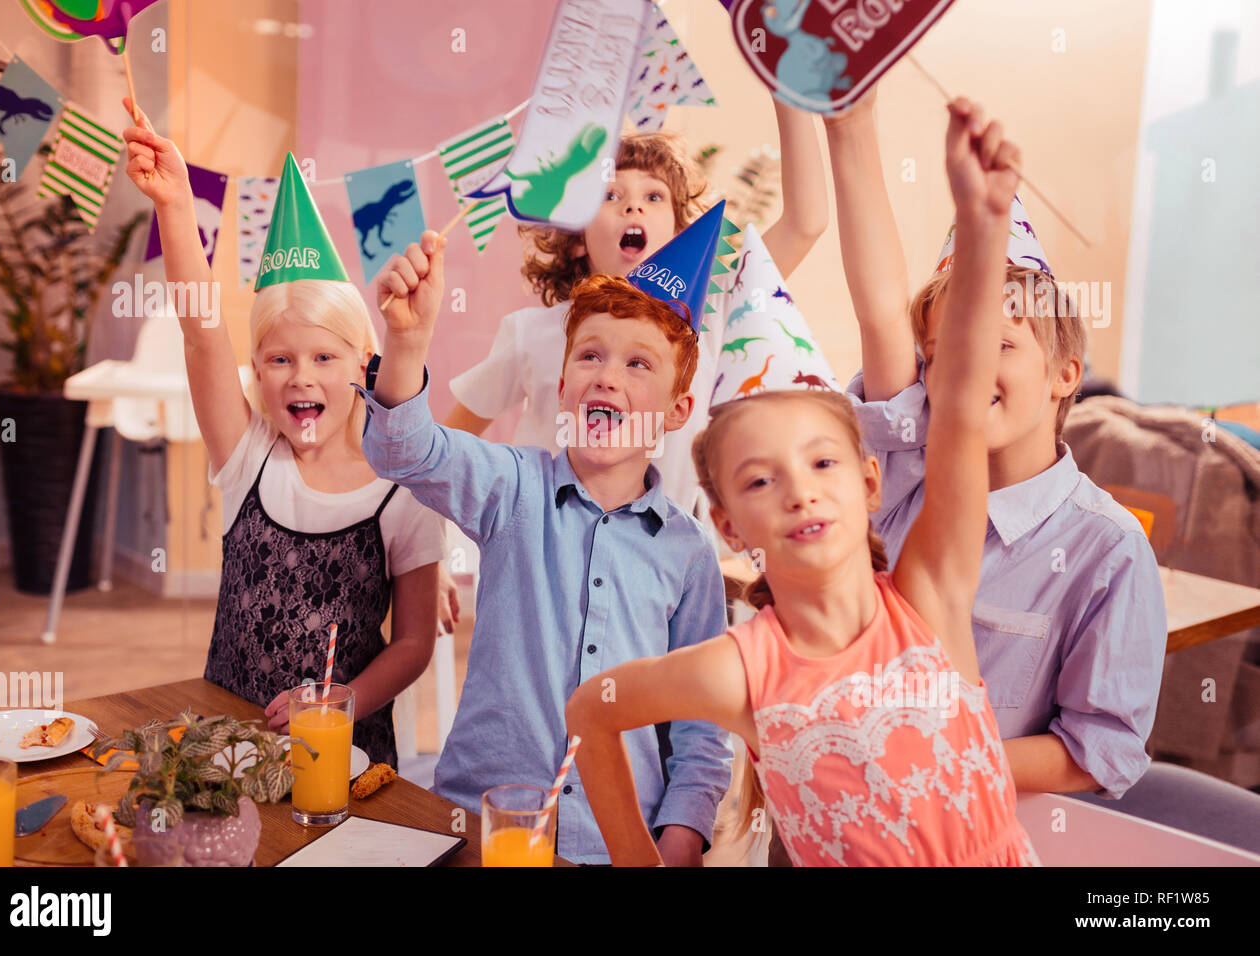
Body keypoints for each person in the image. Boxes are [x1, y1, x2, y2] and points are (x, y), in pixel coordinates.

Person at [565, 99, 1040, 867]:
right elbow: (591, 709)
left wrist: (981, 226)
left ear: (870, 482)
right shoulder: (737, 669)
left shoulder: (932, 593)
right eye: (760, 481)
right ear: (727, 526)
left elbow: (955, 403)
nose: (799, 491)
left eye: (822, 464)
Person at [358, 211, 734, 864]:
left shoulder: (690, 555)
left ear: (677, 410)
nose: (607, 375)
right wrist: (407, 343)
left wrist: (678, 840)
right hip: (481, 830)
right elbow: (405, 450)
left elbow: (701, 727)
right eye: (589, 355)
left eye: (638, 362)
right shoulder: (511, 486)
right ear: (563, 390)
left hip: (619, 845)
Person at [821, 87, 1165, 797]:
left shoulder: (1108, 549)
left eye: (997, 343)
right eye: (941, 353)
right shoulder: (908, 471)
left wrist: (931, 767)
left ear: (1067, 373)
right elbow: (881, 309)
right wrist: (849, 123)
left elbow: (1096, 750)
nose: (963, 367)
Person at [121, 100, 445, 769]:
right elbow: (200, 329)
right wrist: (177, 206)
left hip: (345, 756)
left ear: (362, 363)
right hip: (225, 752)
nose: (302, 378)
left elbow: (414, 643)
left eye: (323, 359)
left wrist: (342, 702)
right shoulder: (248, 458)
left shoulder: (402, 490)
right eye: (280, 360)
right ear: (258, 374)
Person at [445, 99, 829, 516]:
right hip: (542, 557)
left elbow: (806, 223)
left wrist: (788, 93)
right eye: (609, 194)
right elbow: (448, 446)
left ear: (682, 231)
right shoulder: (529, 332)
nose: (633, 206)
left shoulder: (713, 312)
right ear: (576, 237)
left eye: (654, 195)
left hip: (665, 567)